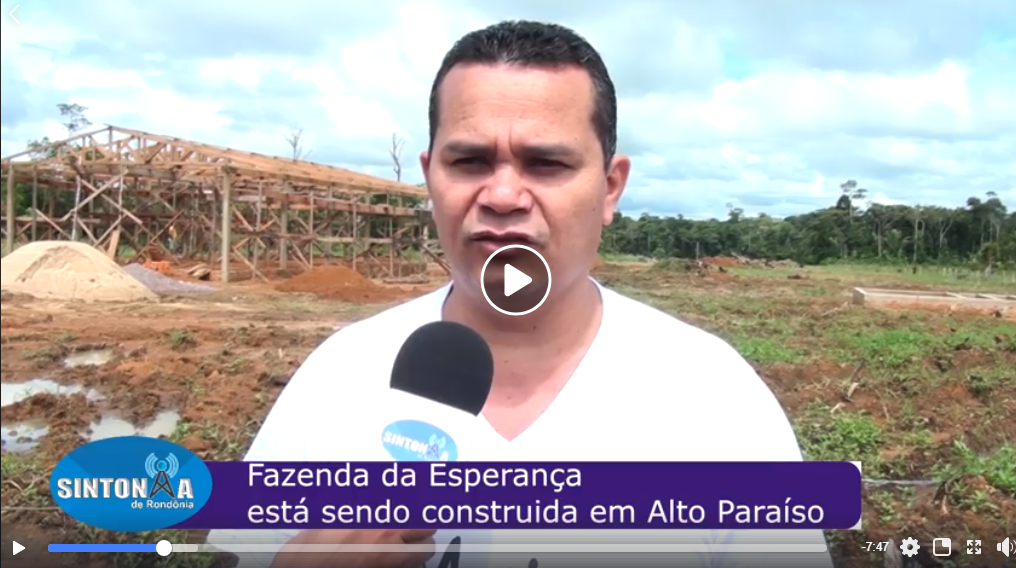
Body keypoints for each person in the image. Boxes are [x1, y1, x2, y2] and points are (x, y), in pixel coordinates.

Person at [207, 20, 835, 568]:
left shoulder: (713, 398)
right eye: (471, 162)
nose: (503, 196)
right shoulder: (339, 379)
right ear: (430, 177)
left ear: (611, 188)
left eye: (547, 164)